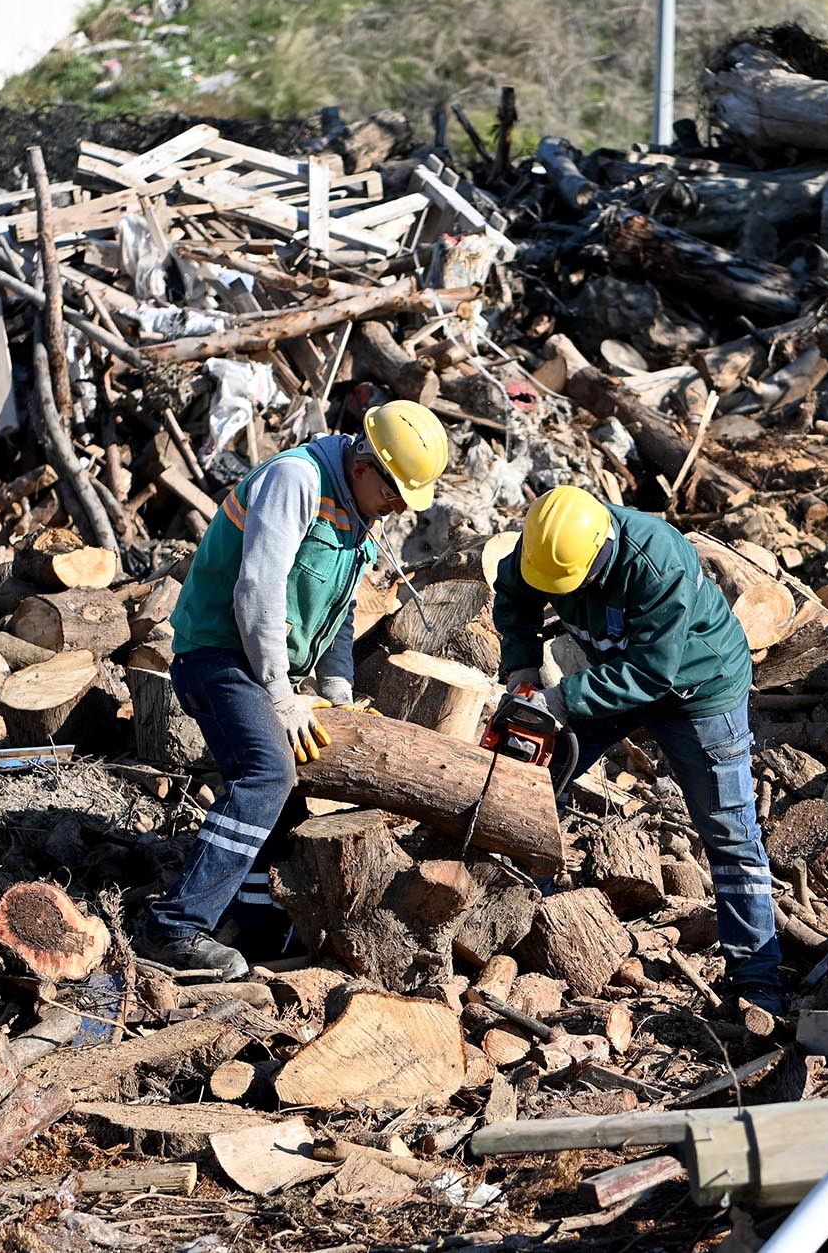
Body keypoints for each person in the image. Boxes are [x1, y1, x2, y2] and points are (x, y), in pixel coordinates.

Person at [139, 400, 451, 978]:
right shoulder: (296, 480)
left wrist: (335, 687)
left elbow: (341, 607)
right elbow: (257, 589)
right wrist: (282, 694)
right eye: (395, 495)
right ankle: (174, 927)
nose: (398, 509)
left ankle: (258, 926)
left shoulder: (359, 516)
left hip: (256, 662)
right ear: (364, 469)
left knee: (292, 782)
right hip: (217, 654)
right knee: (267, 773)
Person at [491, 485, 784, 1013]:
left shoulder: (658, 561)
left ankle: (757, 979)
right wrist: (523, 669)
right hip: (615, 669)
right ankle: (516, 905)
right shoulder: (546, 544)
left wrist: (562, 698)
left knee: (730, 832)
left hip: (699, 688)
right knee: (539, 768)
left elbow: (653, 673)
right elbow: (514, 596)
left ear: (601, 552)